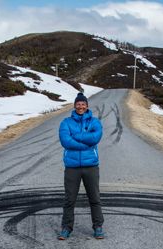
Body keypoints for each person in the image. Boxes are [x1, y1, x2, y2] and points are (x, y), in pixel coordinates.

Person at [57, 92, 104, 240]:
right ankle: (66, 228)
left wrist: (76, 136)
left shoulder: (95, 122)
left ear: (87, 106)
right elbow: (65, 141)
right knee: (69, 200)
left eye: (83, 104)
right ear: (74, 105)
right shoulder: (66, 122)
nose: (81, 106)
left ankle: (98, 227)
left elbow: (96, 137)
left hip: (91, 166)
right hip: (72, 167)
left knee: (94, 198)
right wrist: (86, 143)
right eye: (78, 104)